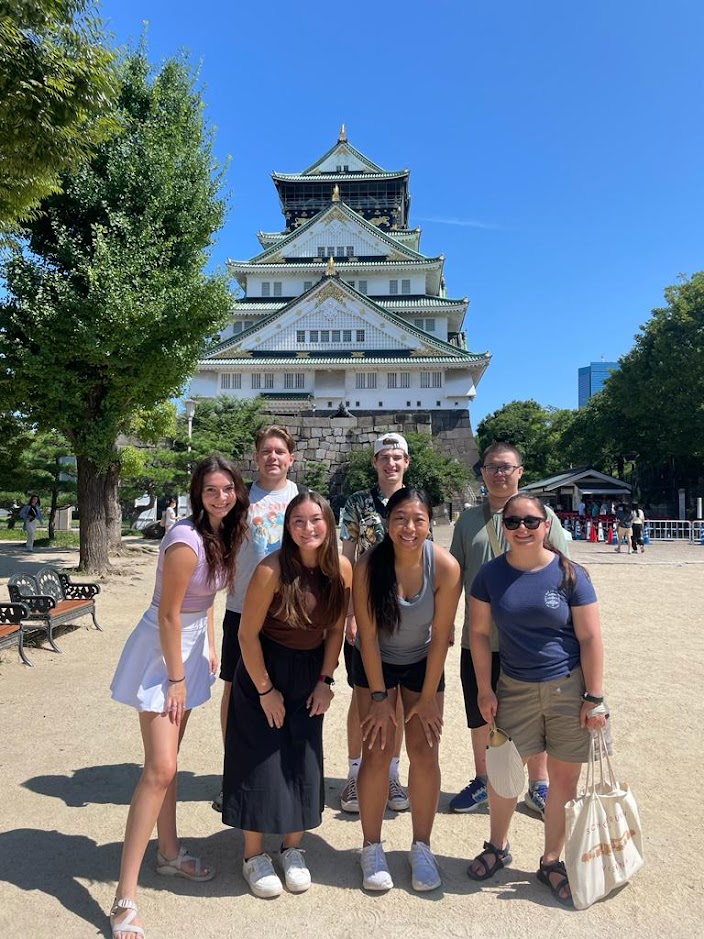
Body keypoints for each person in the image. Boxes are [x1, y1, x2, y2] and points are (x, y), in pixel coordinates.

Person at [108, 456, 249, 939]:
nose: (220, 496)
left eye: (227, 488)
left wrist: (207, 643)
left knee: (169, 761)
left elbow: (204, 601)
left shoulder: (222, 533)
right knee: (160, 769)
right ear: (198, 493)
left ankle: (168, 852)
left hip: (187, 649)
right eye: (211, 489)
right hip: (162, 652)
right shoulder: (187, 540)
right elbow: (168, 614)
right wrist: (175, 677)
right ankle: (124, 896)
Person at [466, 493, 607, 906]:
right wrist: (484, 688)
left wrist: (594, 696)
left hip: (568, 688)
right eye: (513, 522)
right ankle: (498, 845)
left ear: (547, 526)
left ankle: (551, 860)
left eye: (531, 521)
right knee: (504, 776)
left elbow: (590, 637)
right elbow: (477, 633)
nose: (522, 529)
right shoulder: (490, 576)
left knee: (563, 780)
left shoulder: (570, 573)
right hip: (514, 687)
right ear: (502, 528)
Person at [222, 492, 352, 897]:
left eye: (316, 520)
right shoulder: (271, 568)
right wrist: (265, 690)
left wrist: (326, 681)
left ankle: (293, 847)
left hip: (310, 671)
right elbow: (246, 634)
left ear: (329, 524)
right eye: (298, 520)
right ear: (287, 526)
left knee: (303, 757)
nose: (308, 528)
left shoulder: (341, 569)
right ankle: (253, 854)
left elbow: (334, 629)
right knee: (259, 758)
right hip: (265, 668)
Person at [449, 443, 570, 816]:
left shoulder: (543, 515)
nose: (499, 474)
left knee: (535, 713)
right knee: (480, 712)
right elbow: (454, 575)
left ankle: (539, 783)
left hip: (532, 641)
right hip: (480, 636)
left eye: (506, 467)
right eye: (491, 467)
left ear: (520, 471)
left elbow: (564, 573)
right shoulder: (468, 521)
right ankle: (485, 780)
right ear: (482, 473)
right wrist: (447, 623)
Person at [352, 487, 461, 892]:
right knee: (377, 752)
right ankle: (371, 845)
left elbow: (440, 637)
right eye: (400, 519)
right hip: (376, 662)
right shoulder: (368, 566)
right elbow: (367, 636)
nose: (409, 528)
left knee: (424, 750)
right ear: (387, 523)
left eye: (418, 519)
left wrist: (429, 697)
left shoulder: (446, 567)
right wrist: (380, 699)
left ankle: (422, 845)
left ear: (429, 522)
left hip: (422, 663)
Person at [213, 425, 303, 812]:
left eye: (280, 451)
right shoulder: (239, 498)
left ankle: (284, 769)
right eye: (266, 451)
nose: (273, 457)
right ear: (256, 456)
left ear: (291, 458)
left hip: (290, 611)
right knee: (235, 691)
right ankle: (233, 770)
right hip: (241, 607)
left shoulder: (302, 499)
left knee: (288, 691)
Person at [339, 432, 415, 815]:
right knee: (362, 694)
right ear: (374, 463)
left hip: (407, 611)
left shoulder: (415, 502)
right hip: (366, 608)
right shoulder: (356, 503)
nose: (391, 463)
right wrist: (351, 612)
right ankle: (355, 772)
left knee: (398, 697)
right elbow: (347, 558)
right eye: (384, 457)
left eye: (397, 457)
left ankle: (392, 773)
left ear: (407, 463)